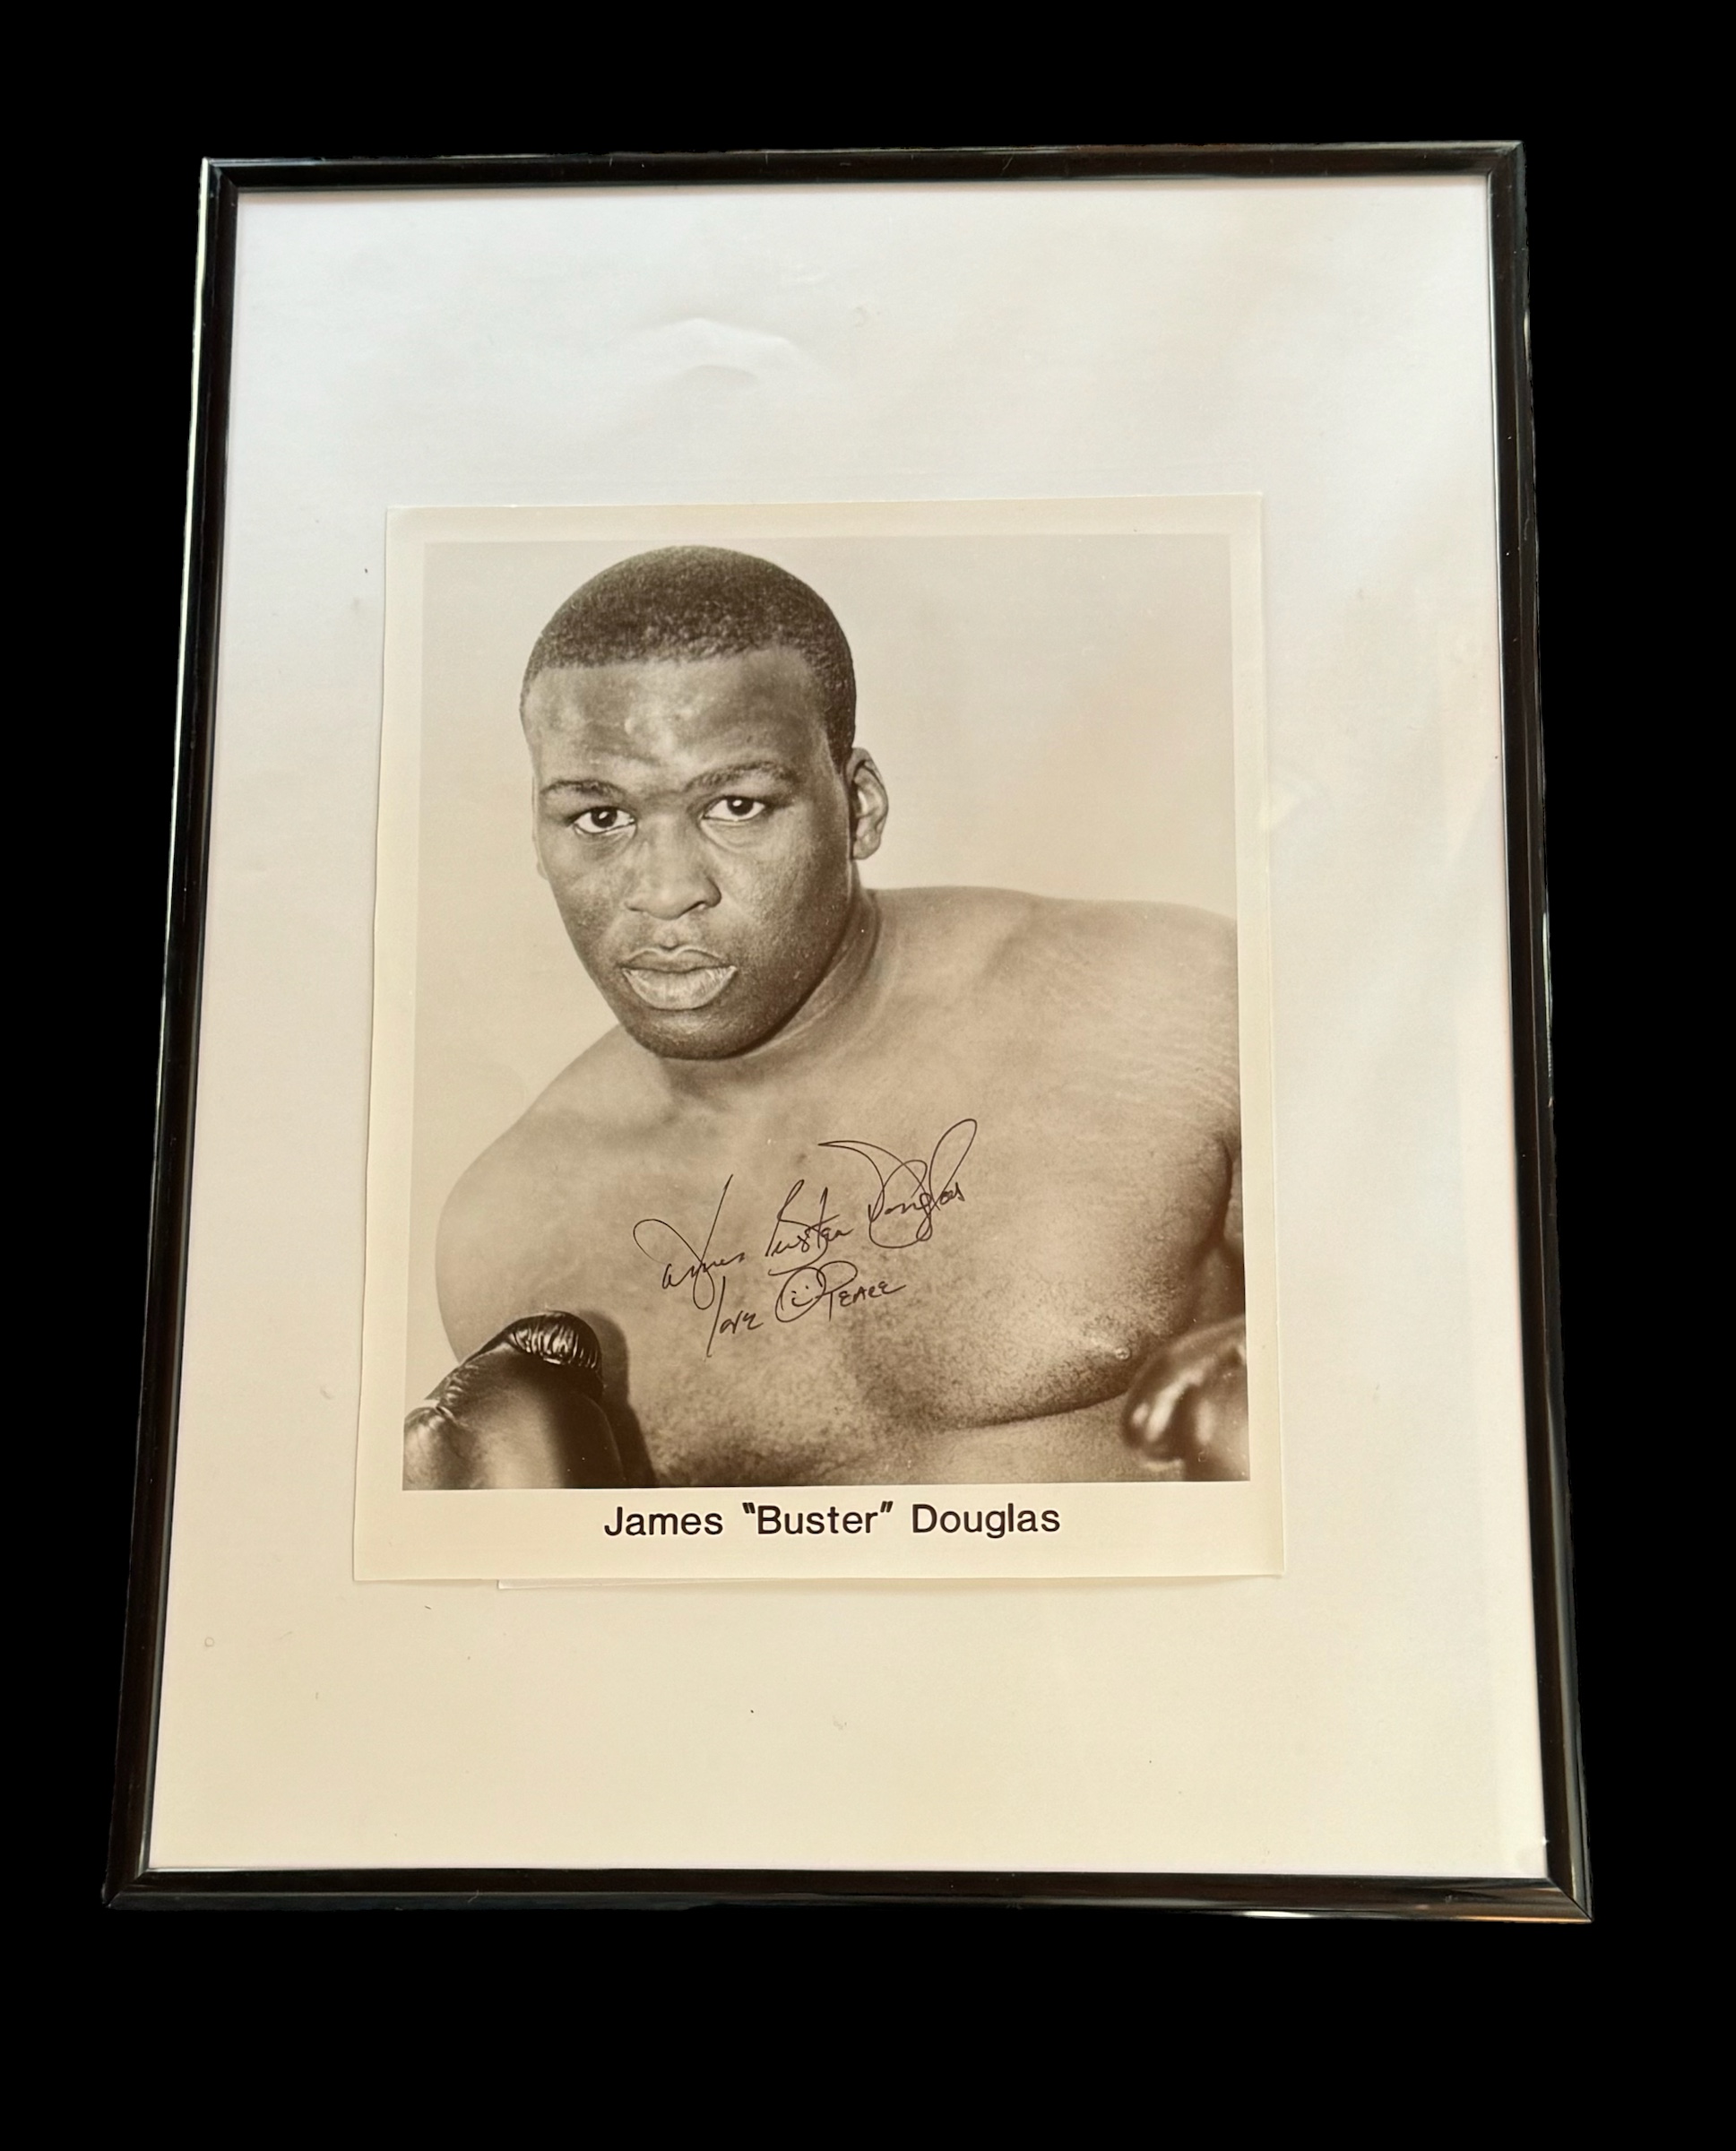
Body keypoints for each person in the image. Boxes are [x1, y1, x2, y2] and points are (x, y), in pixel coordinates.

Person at [404, 546, 1248, 1491]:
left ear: (858, 806)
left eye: (736, 805)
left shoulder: (1168, 1002)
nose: (665, 892)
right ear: (538, 832)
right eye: (599, 818)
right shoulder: (507, 1231)